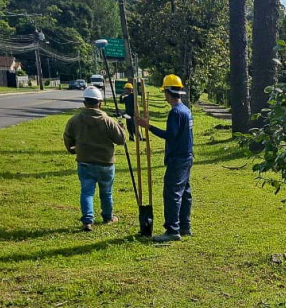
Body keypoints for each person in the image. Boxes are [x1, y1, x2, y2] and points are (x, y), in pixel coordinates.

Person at [136, 74, 194, 243]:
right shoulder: (186, 109)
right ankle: (185, 226)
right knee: (185, 193)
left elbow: (171, 135)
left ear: (168, 93)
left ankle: (172, 230)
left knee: (172, 194)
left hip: (178, 159)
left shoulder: (175, 112)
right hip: (187, 157)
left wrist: (149, 126)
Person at [63, 86, 126, 231]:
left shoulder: (75, 120)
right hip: (106, 163)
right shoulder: (108, 121)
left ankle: (87, 221)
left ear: (85, 102)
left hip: (85, 162)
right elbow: (121, 140)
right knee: (106, 192)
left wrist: (71, 149)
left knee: (87, 192)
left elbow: (67, 137)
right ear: (100, 103)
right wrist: (122, 128)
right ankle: (108, 217)